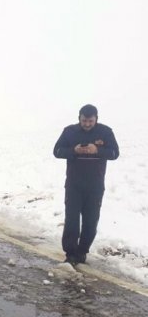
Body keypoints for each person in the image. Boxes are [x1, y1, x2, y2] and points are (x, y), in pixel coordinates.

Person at [53, 104, 119, 264]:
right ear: (79, 118)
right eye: (84, 121)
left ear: (96, 119)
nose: (87, 124)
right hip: (74, 185)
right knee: (72, 220)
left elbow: (115, 153)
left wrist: (97, 150)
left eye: (90, 121)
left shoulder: (105, 132)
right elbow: (57, 151)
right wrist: (73, 150)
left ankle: (82, 252)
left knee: (91, 221)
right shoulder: (69, 131)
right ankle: (70, 254)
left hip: (95, 186)